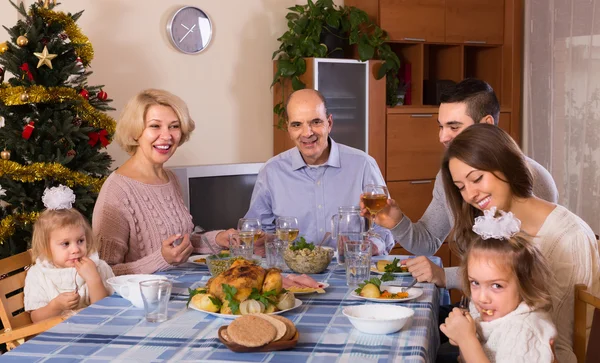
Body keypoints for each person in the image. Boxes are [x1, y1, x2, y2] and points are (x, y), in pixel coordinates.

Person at [361, 78, 558, 292]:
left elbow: (526, 270)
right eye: (441, 127)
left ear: (487, 124)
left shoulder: (532, 179)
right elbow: (428, 241)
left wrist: (445, 275)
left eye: (454, 127)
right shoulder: (448, 177)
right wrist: (397, 222)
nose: (443, 137)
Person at [440, 123, 600, 363]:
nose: (470, 195)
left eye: (477, 179)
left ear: (506, 165)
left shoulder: (568, 237)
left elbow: (562, 349)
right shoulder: (496, 226)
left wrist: (468, 339)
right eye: (461, 187)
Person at [93, 89, 235, 276]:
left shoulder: (170, 178)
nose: (167, 136)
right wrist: (161, 260)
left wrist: (218, 239)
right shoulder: (117, 190)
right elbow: (103, 273)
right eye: (155, 126)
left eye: (174, 126)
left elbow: (178, 243)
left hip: (175, 289)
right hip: (141, 301)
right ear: (135, 132)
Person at [245, 88, 394, 255]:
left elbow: (385, 228)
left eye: (315, 122)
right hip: (293, 275)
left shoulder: (363, 165)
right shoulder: (271, 171)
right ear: (288, 128)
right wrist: (264, 242)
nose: (307, 133)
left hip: (350, 270)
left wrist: (371, 247)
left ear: (329, 123)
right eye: (297, 125)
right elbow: (257, 230)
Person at [440, 208, 556, 363]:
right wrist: (464, 338)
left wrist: (467, 340)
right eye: (475, 283)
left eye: (496, 286)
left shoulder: (523, 330)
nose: (481, 297)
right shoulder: (488, 309)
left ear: (525, 284)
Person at [25, 185, 114, 322]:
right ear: (45, 248)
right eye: (65, 244)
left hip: (95, 328)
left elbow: (105, 310)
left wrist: (93, 280)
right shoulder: (39, 274)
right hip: (59, 335)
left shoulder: (98, 266)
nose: (76, 249)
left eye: (80, 241)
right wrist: (56, 306)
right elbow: (36, 319)